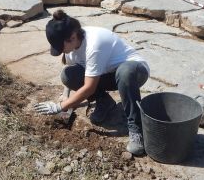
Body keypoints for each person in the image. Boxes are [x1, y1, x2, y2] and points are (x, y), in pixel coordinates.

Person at [34, 10, 150, 156]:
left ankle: (136, 128)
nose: (62, 51)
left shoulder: (94, 44)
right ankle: (104, 102)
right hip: (107, 73)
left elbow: (89, 87)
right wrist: (66, 95)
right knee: (68, 75)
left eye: (61, 47)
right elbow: (69, 69)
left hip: (135, 72)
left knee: (125, 72)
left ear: (72, 37)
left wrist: (59, 107)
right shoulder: (72, 45)